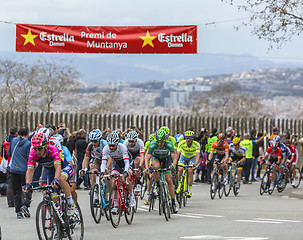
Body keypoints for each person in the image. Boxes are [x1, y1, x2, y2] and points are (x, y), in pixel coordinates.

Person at [23, 132, 76, 216]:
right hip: (51, 171)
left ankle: (70, 203)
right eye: (35, 148)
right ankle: (56, 223)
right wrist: (28, 184)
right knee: (51, 196)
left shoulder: (52, 150)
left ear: (45, 146)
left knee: (60, 179)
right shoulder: (33, 153)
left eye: (39, 148)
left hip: (64, 167)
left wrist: (56, 179)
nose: (37, 151)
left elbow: (58, 167)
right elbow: (30, 170)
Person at [100, 132, 136, 212]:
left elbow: (126, 162)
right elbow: (103, 162)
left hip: (127, 162)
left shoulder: (122, 147)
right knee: (114, 181)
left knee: (124, 179)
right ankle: (115, 204)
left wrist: (125, 172)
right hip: (117, 164)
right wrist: (102, 172)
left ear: (117, 144)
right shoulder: (105, 148)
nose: (111, 147)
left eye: (113, 145)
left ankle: (131, 195)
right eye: (110, 145)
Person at [145, 129, 178, 213]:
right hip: (156, 159)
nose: (160, 144)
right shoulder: (153, 144)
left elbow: (174, 156)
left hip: (166, 160)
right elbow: (147, 157)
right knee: (156, 167)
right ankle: (157, 184)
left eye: (162, 142)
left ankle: (173, 203)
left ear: (165, 140)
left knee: (169, 180)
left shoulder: (169, 144)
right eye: (158, 142)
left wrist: (173, 165)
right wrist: (147, 168)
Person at [8, 127, 32, 219]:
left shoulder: (13, 140)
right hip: (24, 170)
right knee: (27, 187)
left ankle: (18, 211)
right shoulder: (28, 143)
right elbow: (29, 157)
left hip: (13, 169)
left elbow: (10, 152)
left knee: (16, 191)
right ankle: (25, 205)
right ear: (27, 133)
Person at [176, 130, 200, 198]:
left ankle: (189, 190)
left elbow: (197, 155)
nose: (188, 140)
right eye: (187, 138)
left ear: (192, 139)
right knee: (180, 169)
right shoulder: (181, 143)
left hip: (192, 157)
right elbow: (178, 154)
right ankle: (179, 184)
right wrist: (175, 163)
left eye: (190, 138)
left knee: (190, 170)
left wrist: (195, 164)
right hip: (183, 157)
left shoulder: (196, 144)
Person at [1, 126, 18, 207]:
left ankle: (10, 202)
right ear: (16, 133)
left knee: (10, 183)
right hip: (16, 163)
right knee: (18, 183)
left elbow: (2, 154)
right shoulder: (16, 141)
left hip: (8, 162)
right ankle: (18, 200)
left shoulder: (5, 141)